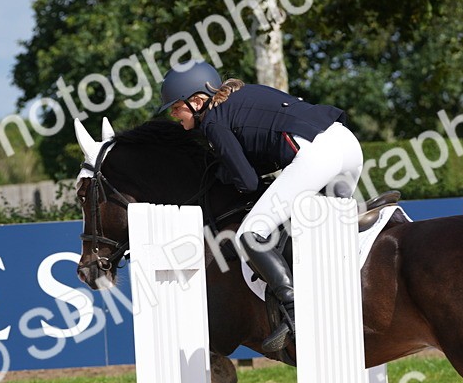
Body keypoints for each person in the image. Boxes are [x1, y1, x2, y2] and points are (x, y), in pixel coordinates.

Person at [155, 62, 363, 352]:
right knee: (323, 232)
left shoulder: (214, 121)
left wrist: (223, 173)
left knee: (251, 233)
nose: (173, 115)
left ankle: (294, 313)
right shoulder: (243, 95)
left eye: (176, 107)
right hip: (347, 144)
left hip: (318, 155)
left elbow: (248, 182)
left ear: (197, 100)